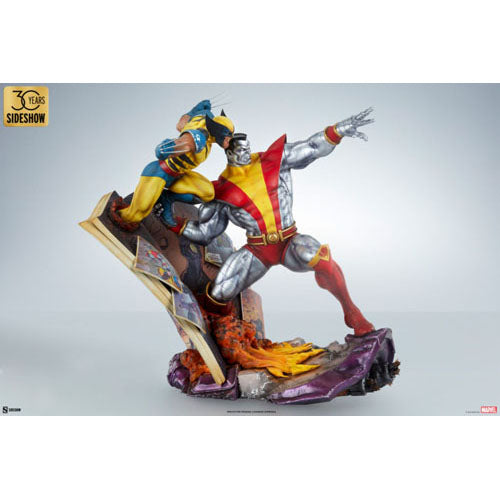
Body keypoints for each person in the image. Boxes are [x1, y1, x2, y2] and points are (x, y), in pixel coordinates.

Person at [169, 108, 376, 336]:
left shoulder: (273, 160)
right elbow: (207, 232)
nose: (246, 153)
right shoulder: (220, 190)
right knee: (219, 292)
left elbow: (312, 147)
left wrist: (338, 131)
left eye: (247, 148)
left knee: (320, 257)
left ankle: (352, 311)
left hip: (289, 241)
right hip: (257, 250)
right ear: (228, 152)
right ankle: (222, 331)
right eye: (241, 150)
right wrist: (173, 223)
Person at [110, 100, 235, 229]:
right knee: (134, 216)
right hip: (160, 172)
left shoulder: (202, 118)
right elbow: (176, 145)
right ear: (217, 129)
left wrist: (194, 111)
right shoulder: (200, 136)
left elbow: (180, 126)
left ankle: (166, 199)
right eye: (227, 136)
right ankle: (121, 213)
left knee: (208, 193)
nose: (228, 141)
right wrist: (172, 147)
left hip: (180, 176)